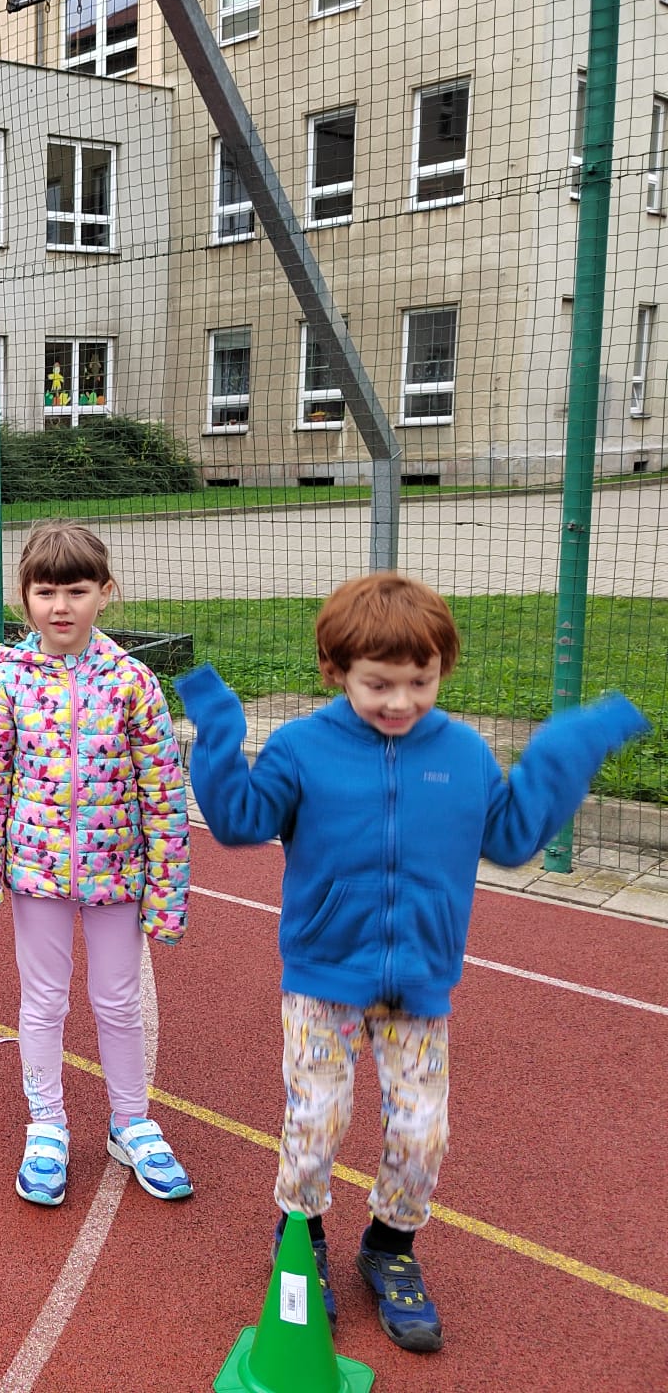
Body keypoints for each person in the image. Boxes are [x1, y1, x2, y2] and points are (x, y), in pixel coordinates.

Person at [175, 572, 649, 1354]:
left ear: (442, 670)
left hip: (420, 985)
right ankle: (301, 1240)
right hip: (324, 979)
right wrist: (218, 726)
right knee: (317, 1120)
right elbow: (237, 820)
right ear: (336, 670)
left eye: (420, 682)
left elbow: (512, 837)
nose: (401, 701)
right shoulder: (302, 748)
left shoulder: (461, 753)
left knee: (424, 1131)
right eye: (379, 684)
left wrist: (572, 744)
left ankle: (390, 1247)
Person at [0, 519, 193, 1208]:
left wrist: (167, 892)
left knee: (118, 1002)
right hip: (37, 877)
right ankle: (48, 1126)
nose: (60, 607)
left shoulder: (133, 683)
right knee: (44, 1000)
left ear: (105, 593)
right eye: (46, 592)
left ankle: (131, 1121)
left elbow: (163, 793)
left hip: (117, 877)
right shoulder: (3, 685)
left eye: (77, 591)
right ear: (25, 598)